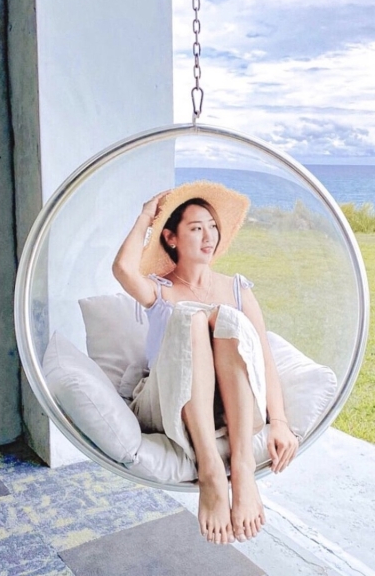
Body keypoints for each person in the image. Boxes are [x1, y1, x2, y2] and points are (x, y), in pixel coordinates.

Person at [112, 181, 298, 545]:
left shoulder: (238, 290)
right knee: (192, 318)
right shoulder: (160, 290)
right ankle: (211, 470)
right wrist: (146, 216)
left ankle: (241, 468)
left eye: (212, 226)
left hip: (231, 404)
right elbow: (122, 268)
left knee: (226, 319)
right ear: (171, 238)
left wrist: (279, 422)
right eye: (196, 228)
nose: (208, 236)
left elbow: (263, 357)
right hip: (169, 404)